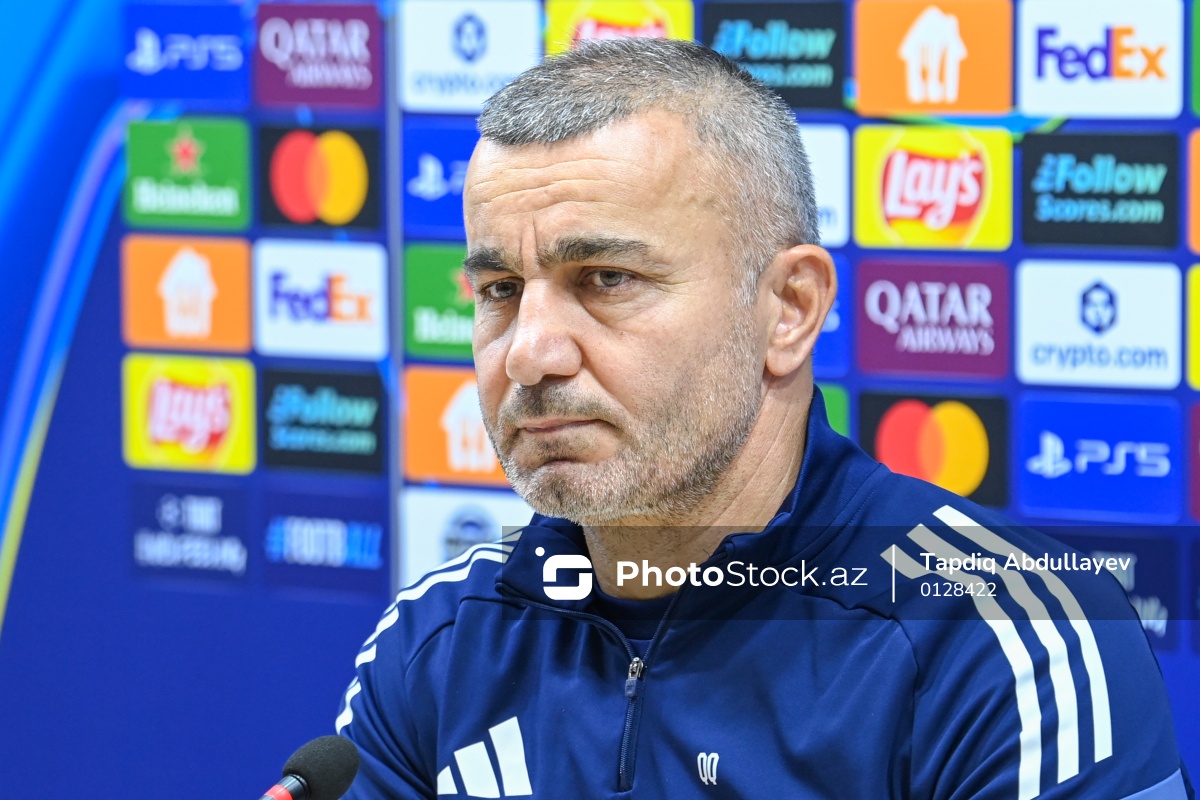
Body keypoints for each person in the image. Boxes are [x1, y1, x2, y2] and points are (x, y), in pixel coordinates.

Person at [336, 38, 1192, 799]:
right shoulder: (438, 640)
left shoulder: (1007, 644)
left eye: (606, 280)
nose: (529, 353)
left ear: (789, 309)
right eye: (499, 290)